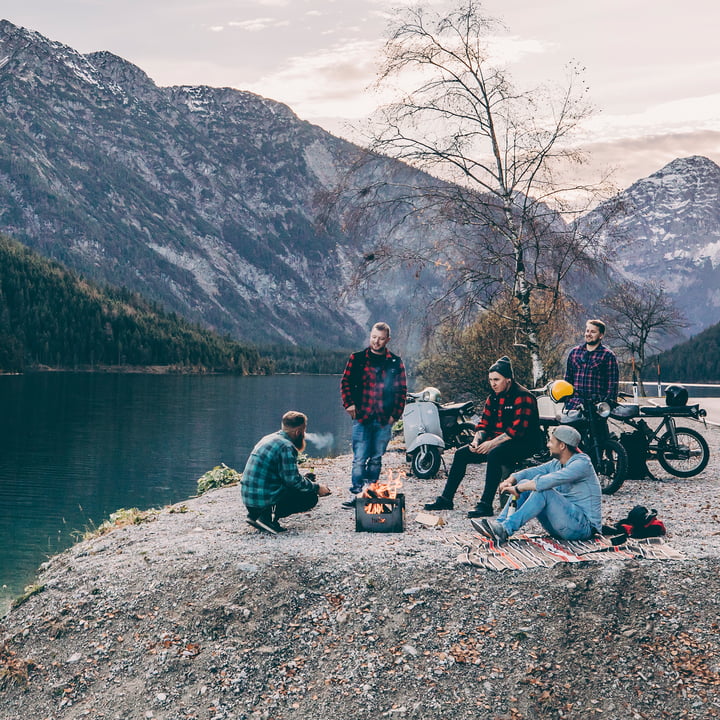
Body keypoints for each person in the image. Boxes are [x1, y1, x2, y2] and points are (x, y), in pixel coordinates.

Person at [424, 355, 541, 518]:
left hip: (524, 443)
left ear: (508, 379)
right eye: (491, 379)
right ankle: (446, 499)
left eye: (497, 379)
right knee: (461, 454)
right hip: (498, 442)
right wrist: (476, 441)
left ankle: (485, 504)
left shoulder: (523, 396)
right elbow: (484, 424)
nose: (493, 384)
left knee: (495, 454)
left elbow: (517, 431)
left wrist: (490, 444)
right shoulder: (493, 397)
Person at [473, 424, 602, 545]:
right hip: (563, 525)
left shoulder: (582, 464)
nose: (548, 445)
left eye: (551, 441)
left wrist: (518, 488)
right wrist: (511, 480)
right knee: (525, 483)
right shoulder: (557, 463)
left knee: (544, 491)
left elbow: (547, 481)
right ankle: (499, 526)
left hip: (583, 528)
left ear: (562, 445)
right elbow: (533, 471)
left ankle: (505, 530)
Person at [340, 322, 407, 508]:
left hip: (384, 419)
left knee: (376, 458)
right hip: (362, 416)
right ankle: (356, 494)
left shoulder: (395, 362)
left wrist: (395, 415)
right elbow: (345, 382)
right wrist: (349, 404)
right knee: (359, 458)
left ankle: (369, 493)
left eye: (381, 338)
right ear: (370, 336)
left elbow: (402, 391)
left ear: (388, 340)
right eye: (374, 337)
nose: (376, 342)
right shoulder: (357, 358)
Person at [241, 411, 331, 534]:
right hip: (263, 501)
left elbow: (280, 476)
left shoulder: (269, 438)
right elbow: (292, 482)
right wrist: (316, 487)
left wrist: (305, 479)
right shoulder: (286, 447)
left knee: (303, 487)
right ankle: (267, 518)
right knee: (310, 497)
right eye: (304, 431)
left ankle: (255, 515)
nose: (304, 435)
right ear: (298, 431)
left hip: (250, 500)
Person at [564, 319, 619, 411]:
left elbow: (612, 384)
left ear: (601, 335)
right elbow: (568, 379)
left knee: (597, 426)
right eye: (587, 331)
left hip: (596, 407)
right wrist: (567, 400)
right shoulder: (574, 352)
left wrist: (606, 405)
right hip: (574, 405)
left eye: (593, 332)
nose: (588, 334)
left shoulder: (608, 355)